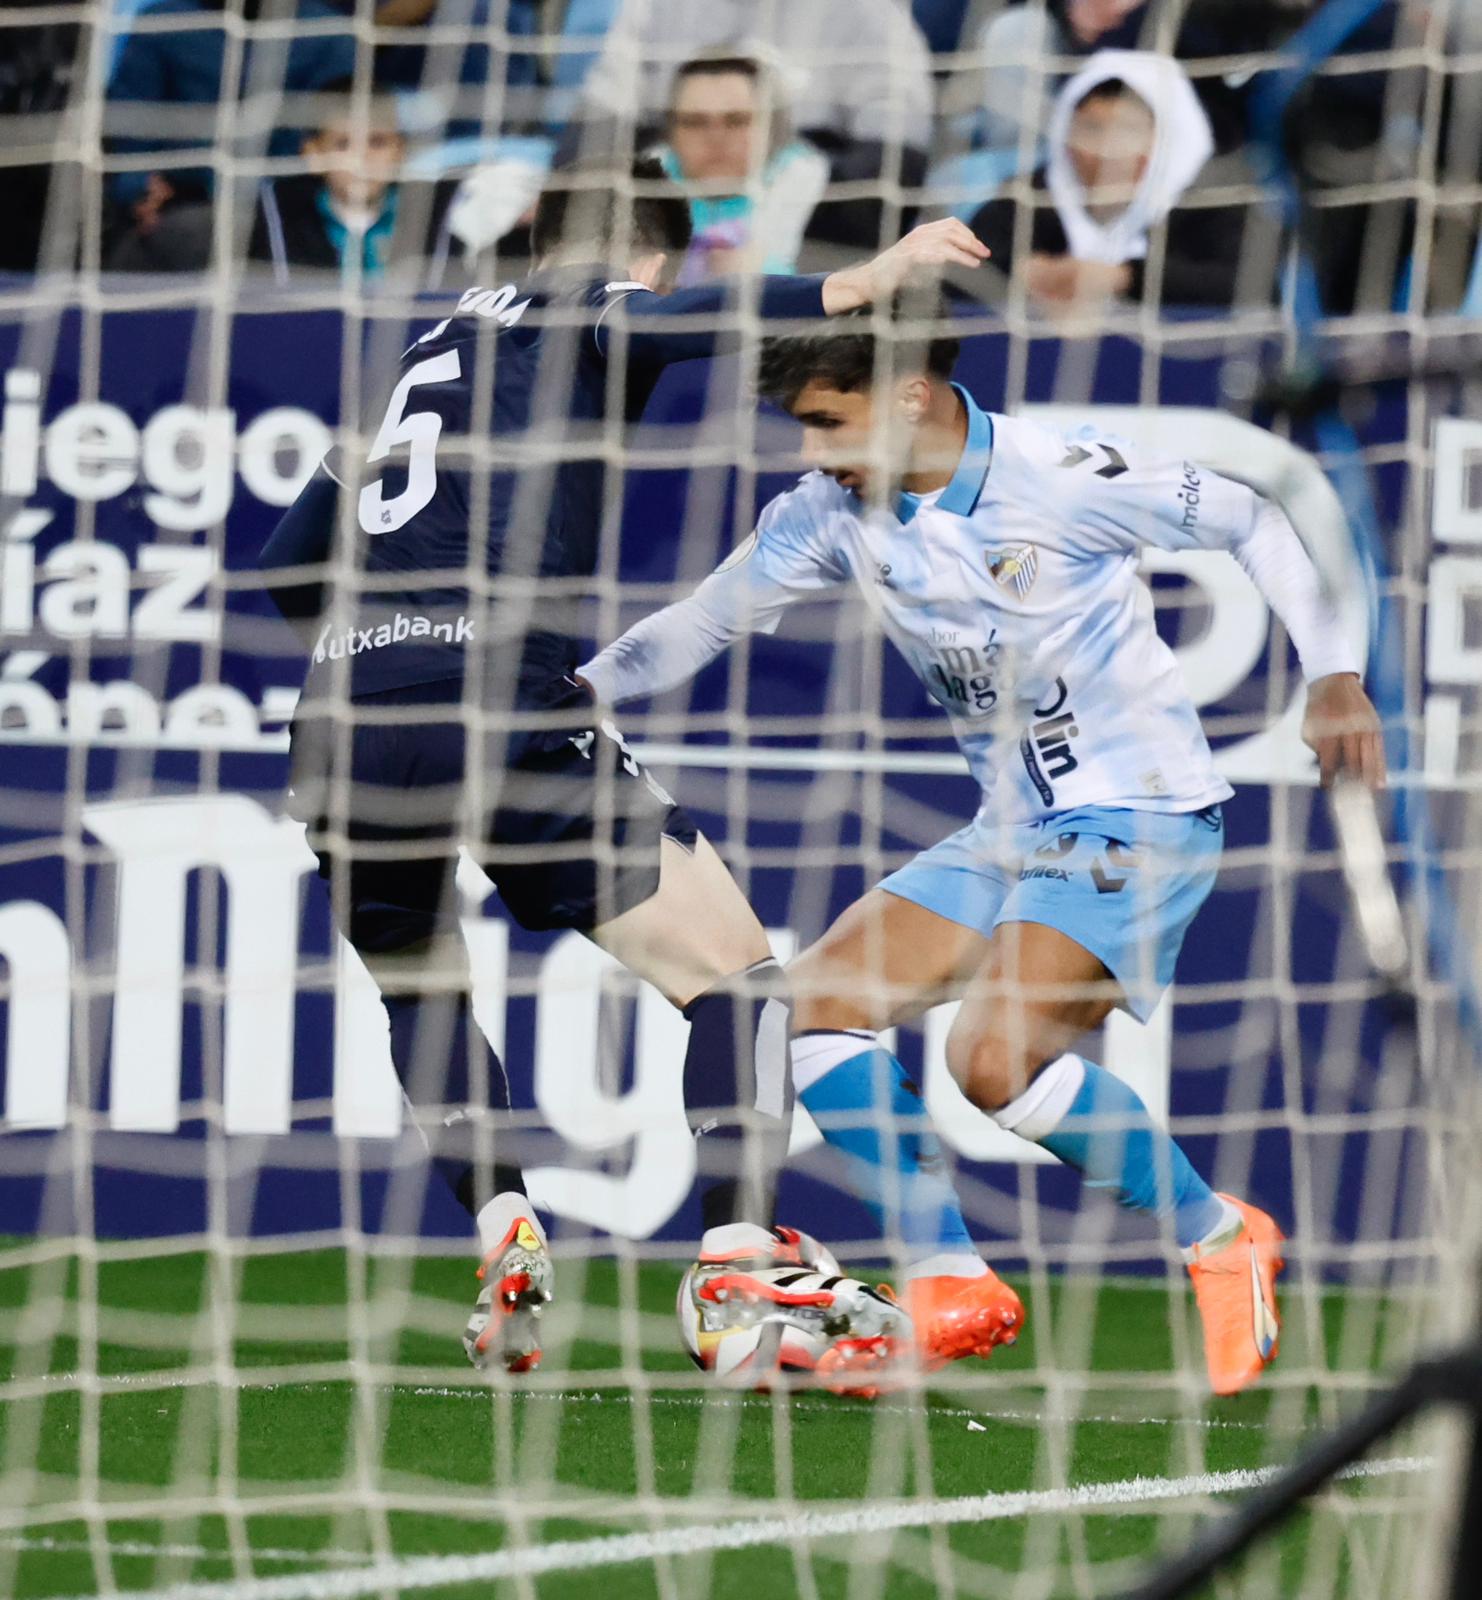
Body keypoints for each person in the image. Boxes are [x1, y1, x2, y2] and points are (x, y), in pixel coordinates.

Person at [258, 166, 989, 1386]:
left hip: (340, 718)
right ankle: (740, 1262)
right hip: (496, 689)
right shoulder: (590, 306)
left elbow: (288, 570)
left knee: (423, 987)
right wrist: (856, 281)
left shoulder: (405, 374)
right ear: (650, 258)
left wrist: (384, 660)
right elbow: (676, 325)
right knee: (740, 974)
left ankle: (505, 1227)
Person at [576, 311, 1386, 1396]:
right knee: (810, 1006)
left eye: (829, 423)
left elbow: (1256, 516)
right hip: (1012, 824)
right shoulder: (828, 511)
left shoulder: (1058, 476)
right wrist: (566, 698)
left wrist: (1335, 672)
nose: (814, 454)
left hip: (1137, 813)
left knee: (988, 1061)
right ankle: (952, 1274)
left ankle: (1218, 1233)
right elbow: (703, 619)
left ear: (911, 394)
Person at [561, 0, 934, 253]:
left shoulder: (866, 11)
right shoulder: (655, 6)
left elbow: (897, 154)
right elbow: (599, 123)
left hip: (813, 203)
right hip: (673, 187)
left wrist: (790, 203)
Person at [966, 52, 1271, 315]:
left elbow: (1255, 289)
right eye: (1092, 128)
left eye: (1126, 130)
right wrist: (1019, 275)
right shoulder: (1025, 199)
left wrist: (1123, 277)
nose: (1105, 149)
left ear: (1166, 140)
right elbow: (954, 274)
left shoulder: (1215, 204)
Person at [246, 81, 462, 286]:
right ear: (314, 155)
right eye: (343, 144)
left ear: (401, 150)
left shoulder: (442, 212)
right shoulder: (275, 216)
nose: (362, 159)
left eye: (377, 142)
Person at [653, 52, 828, 284]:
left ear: (771, 127)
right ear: (670, 132)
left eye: (737, 121)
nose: (716, 138)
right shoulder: (644, 178)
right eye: (694, 122)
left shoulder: (816, 185)